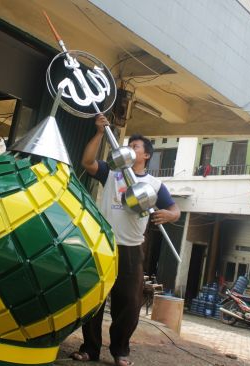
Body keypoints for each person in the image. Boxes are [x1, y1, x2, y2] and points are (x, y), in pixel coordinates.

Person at [71, 114, 180, 366]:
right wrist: (99, 133)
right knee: (95, 298)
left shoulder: (154, 184)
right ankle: (90, 349)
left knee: (130, 303)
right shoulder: (112, 172)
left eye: (135, 146)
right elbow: (87, 162)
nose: (130, 149)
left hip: (131, 249)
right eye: (129, 145)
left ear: (146, 155)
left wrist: (169, 215)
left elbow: (175, 210)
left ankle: (120, 350)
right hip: (104, 244)